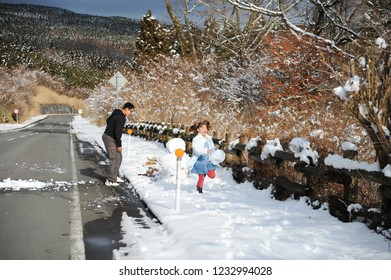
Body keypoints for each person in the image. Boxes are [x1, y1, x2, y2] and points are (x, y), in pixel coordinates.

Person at [102, 102, 134, 186]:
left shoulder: (116, 112)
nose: (131, 113)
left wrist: (110, 127)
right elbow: (117, 133)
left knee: (119, 157)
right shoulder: (121, 118)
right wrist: (119, 145)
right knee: (114, 158)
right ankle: (110, 180)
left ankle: (115, 176)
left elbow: (108, 120)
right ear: (126, 109)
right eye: (131, 111)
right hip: (110, 138)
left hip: (111, 137)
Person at [188, 120, 218, 193]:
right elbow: (196, 150)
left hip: (208, 159)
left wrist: (214, 152)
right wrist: (205, 150)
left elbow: (212, 147)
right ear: (198, 130)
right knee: (201, 176)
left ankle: (205, 171)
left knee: (212, 175)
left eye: (206, 128)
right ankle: (199, 189)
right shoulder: (196, 139)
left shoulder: (208, 138)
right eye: (203, 128)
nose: (205, 130)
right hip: (199, 159)